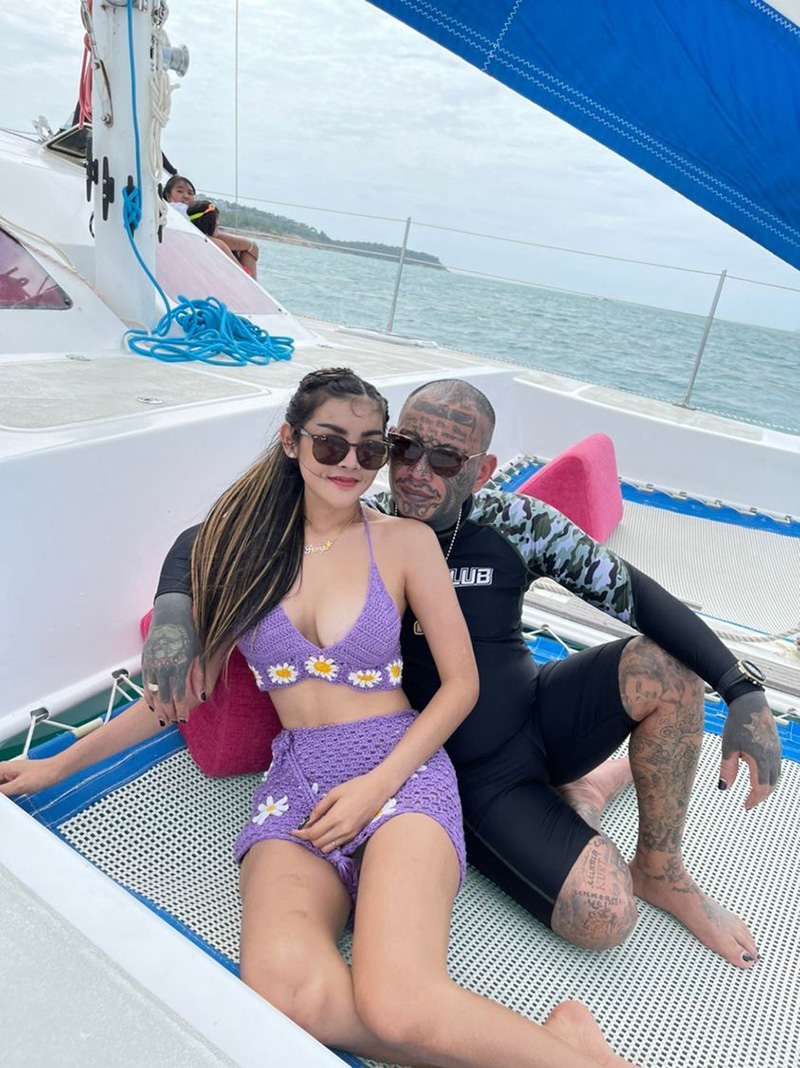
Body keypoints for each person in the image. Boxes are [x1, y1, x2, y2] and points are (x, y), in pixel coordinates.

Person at [0, 369, 638, 1068]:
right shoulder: (244, 558)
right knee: (284, 996)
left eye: (370, 449)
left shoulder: (404, 542)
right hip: (299, 780)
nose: (350, 464)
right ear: (291, 441)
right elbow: (177, 698)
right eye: (331, 444)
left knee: (397, 1003)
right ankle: (557, 1048)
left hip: (400, 770)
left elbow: (460, 687)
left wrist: (377, 786)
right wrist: (55, 766)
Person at [145, 376, 781, 974]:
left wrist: (741, 689)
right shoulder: (363, 521)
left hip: (535, 713)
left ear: (482, 471)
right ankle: (584, 793)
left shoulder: (518, 525)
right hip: (463, 770)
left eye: (446, 460)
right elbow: (210, 537)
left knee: (665, 666)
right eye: (404, 449)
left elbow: (636, 596)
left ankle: (661, 868)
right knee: (602, 916)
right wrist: (175, 607)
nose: (418, 474)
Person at [163, 175, 260, 279]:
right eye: (180, 191)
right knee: (252, 247)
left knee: (247, 248)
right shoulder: (176, 209)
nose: (186, 196)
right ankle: (250, 281)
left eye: (190, 193)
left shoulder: (184, 213)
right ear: (168, 196)